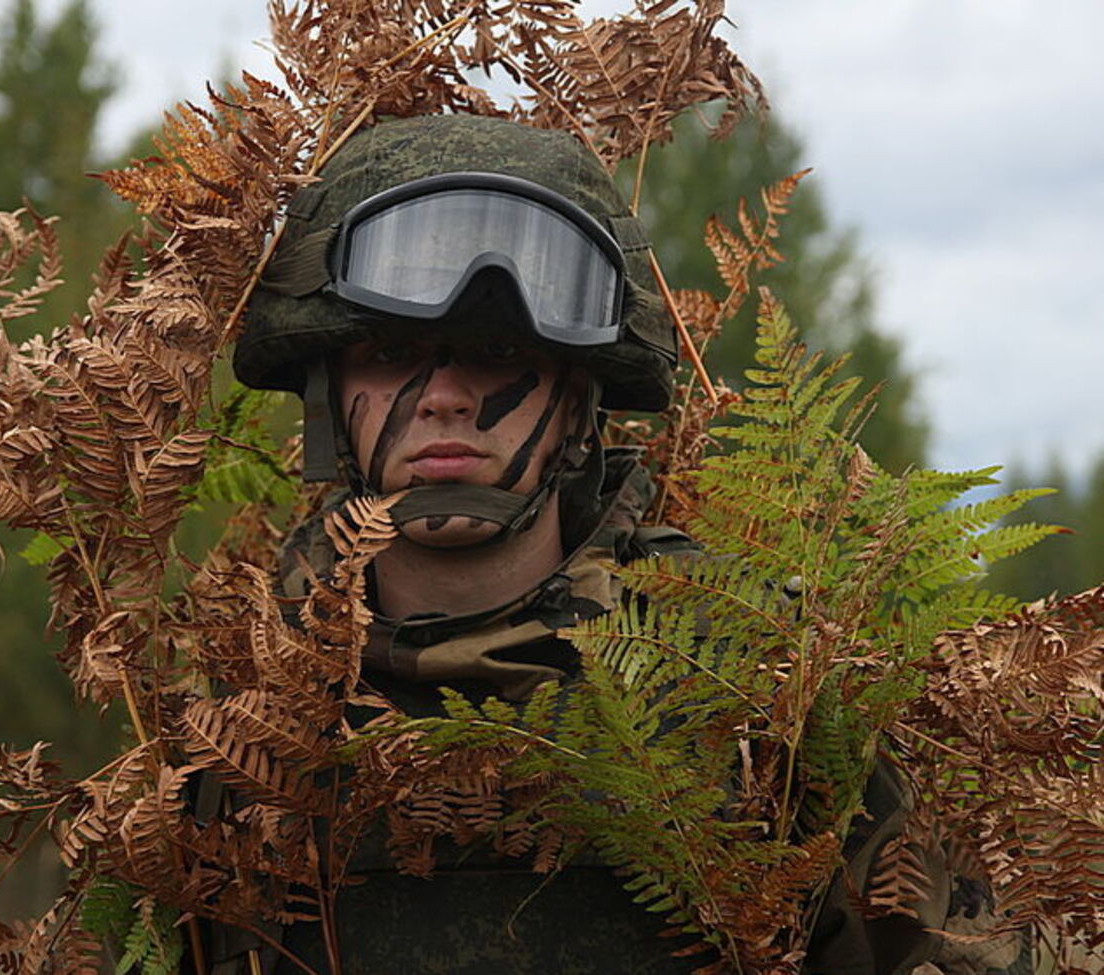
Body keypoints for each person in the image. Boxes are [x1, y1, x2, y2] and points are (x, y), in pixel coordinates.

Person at [210, 114, 1034, 975]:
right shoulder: (244, 717)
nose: (444, 396)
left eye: (498, 352)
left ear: (582, 396)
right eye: (389, 351)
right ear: (327, 388)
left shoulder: (755, 685)